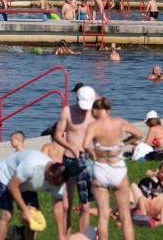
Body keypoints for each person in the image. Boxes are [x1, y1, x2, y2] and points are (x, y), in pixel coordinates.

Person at [82, 97, 142, 240]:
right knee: (125, 215)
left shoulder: (93, 126)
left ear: (95, 111)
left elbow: (85, 144)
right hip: (117, 167)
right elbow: (138, 134)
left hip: (101, 167)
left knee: (103, 215)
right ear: (108, 110)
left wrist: (93, 153)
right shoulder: (119, 122)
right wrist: (123, 143)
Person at [0, 150, 70, 240]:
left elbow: (58, 208)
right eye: (55, 184)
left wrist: (61, 235)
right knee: (7, 214)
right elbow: (13, 187)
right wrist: (25, 210)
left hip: (26, 183)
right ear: (50, 174)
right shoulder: (32, 165)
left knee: (34, 215)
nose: (56, 186)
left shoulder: (59, 180)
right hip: (6, 175)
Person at [53, 85, 97, 235]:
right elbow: (58, 135)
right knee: (66, 205)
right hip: (70, 159)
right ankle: (66, 236)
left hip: (88, 161)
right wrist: (71, 147)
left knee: (85, 206)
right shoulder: (67, 111)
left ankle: (83, 237)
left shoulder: (96, 112)